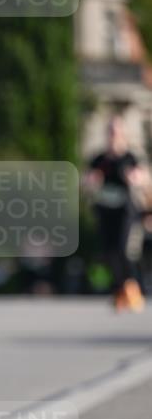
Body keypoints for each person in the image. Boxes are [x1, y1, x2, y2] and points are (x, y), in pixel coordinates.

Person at [84, 115, 147, 311]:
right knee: (108, 252)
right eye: (111, 131)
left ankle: (132, 289)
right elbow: (86, 182)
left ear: (123, 134)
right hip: (105, 210)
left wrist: (134, 178)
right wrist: (91, 181)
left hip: (125, 211)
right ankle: (121, 290)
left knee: (122, 249)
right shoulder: (99, 159)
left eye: (117, 131)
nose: (113, 135)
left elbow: (143, 178)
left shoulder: (130, 157)